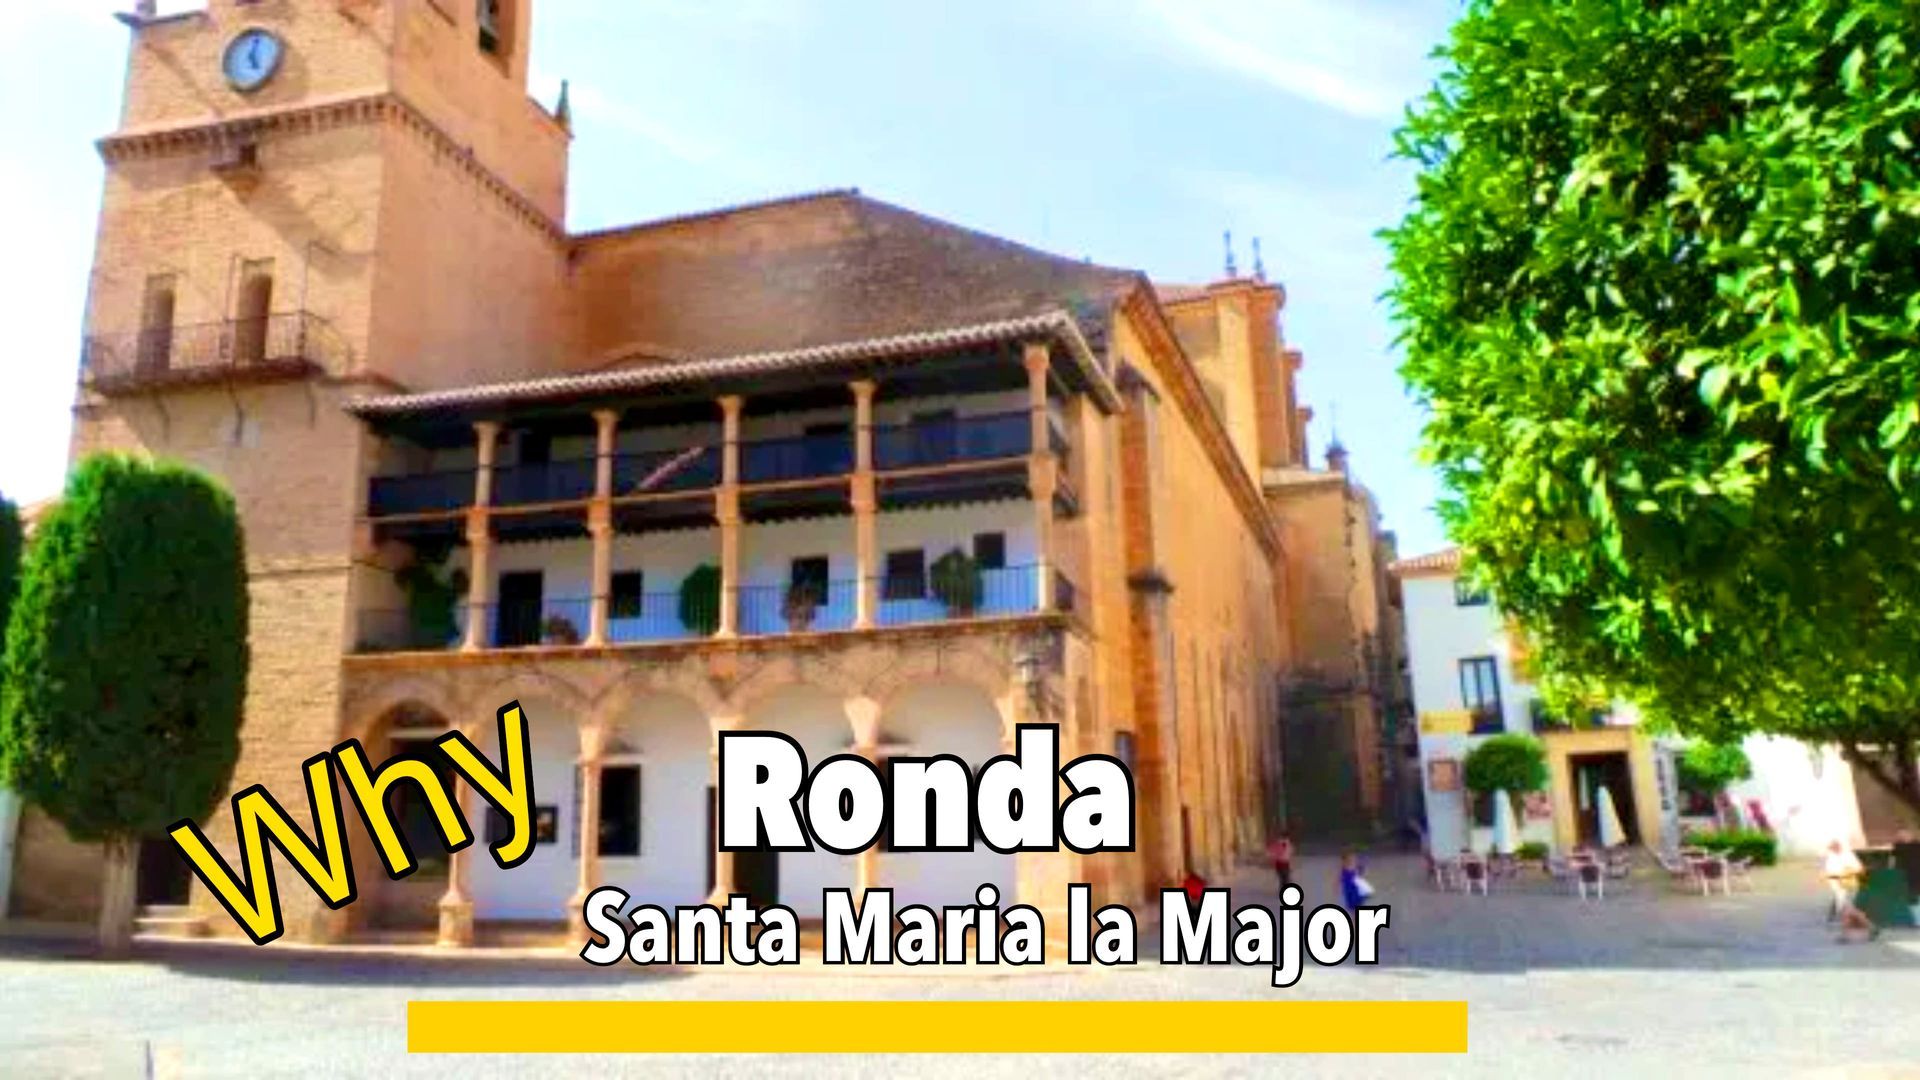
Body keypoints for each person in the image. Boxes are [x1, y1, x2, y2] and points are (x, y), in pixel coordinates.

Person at [1823, 839, 1878, 943]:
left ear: (1839, 846)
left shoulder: (1848, 856)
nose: (1834, 848)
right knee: (1847, 912)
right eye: (1832, 847)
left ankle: (1870, 927)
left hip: (1848, 887)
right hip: (1839, 889)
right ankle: (1849, 934)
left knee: (1848, 911)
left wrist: (1844, 874)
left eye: (1835, 846)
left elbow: (1859, 869)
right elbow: (1830, 873)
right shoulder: (1831, 857)